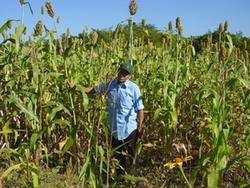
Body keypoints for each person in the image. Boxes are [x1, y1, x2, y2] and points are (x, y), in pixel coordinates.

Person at [85, 62, 144, 175]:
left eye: (125, 73)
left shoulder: (133, 88)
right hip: (114, 130)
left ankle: (134, 180)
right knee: (118, 158)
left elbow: (140, 109)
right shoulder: (110, 84)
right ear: (118, 71)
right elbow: (94, 90)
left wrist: (140, 127)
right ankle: (120, 180)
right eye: (121, 72)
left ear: (129, 76)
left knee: (132, 157)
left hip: (129, 130)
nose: (122, 75)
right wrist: (76, 88)